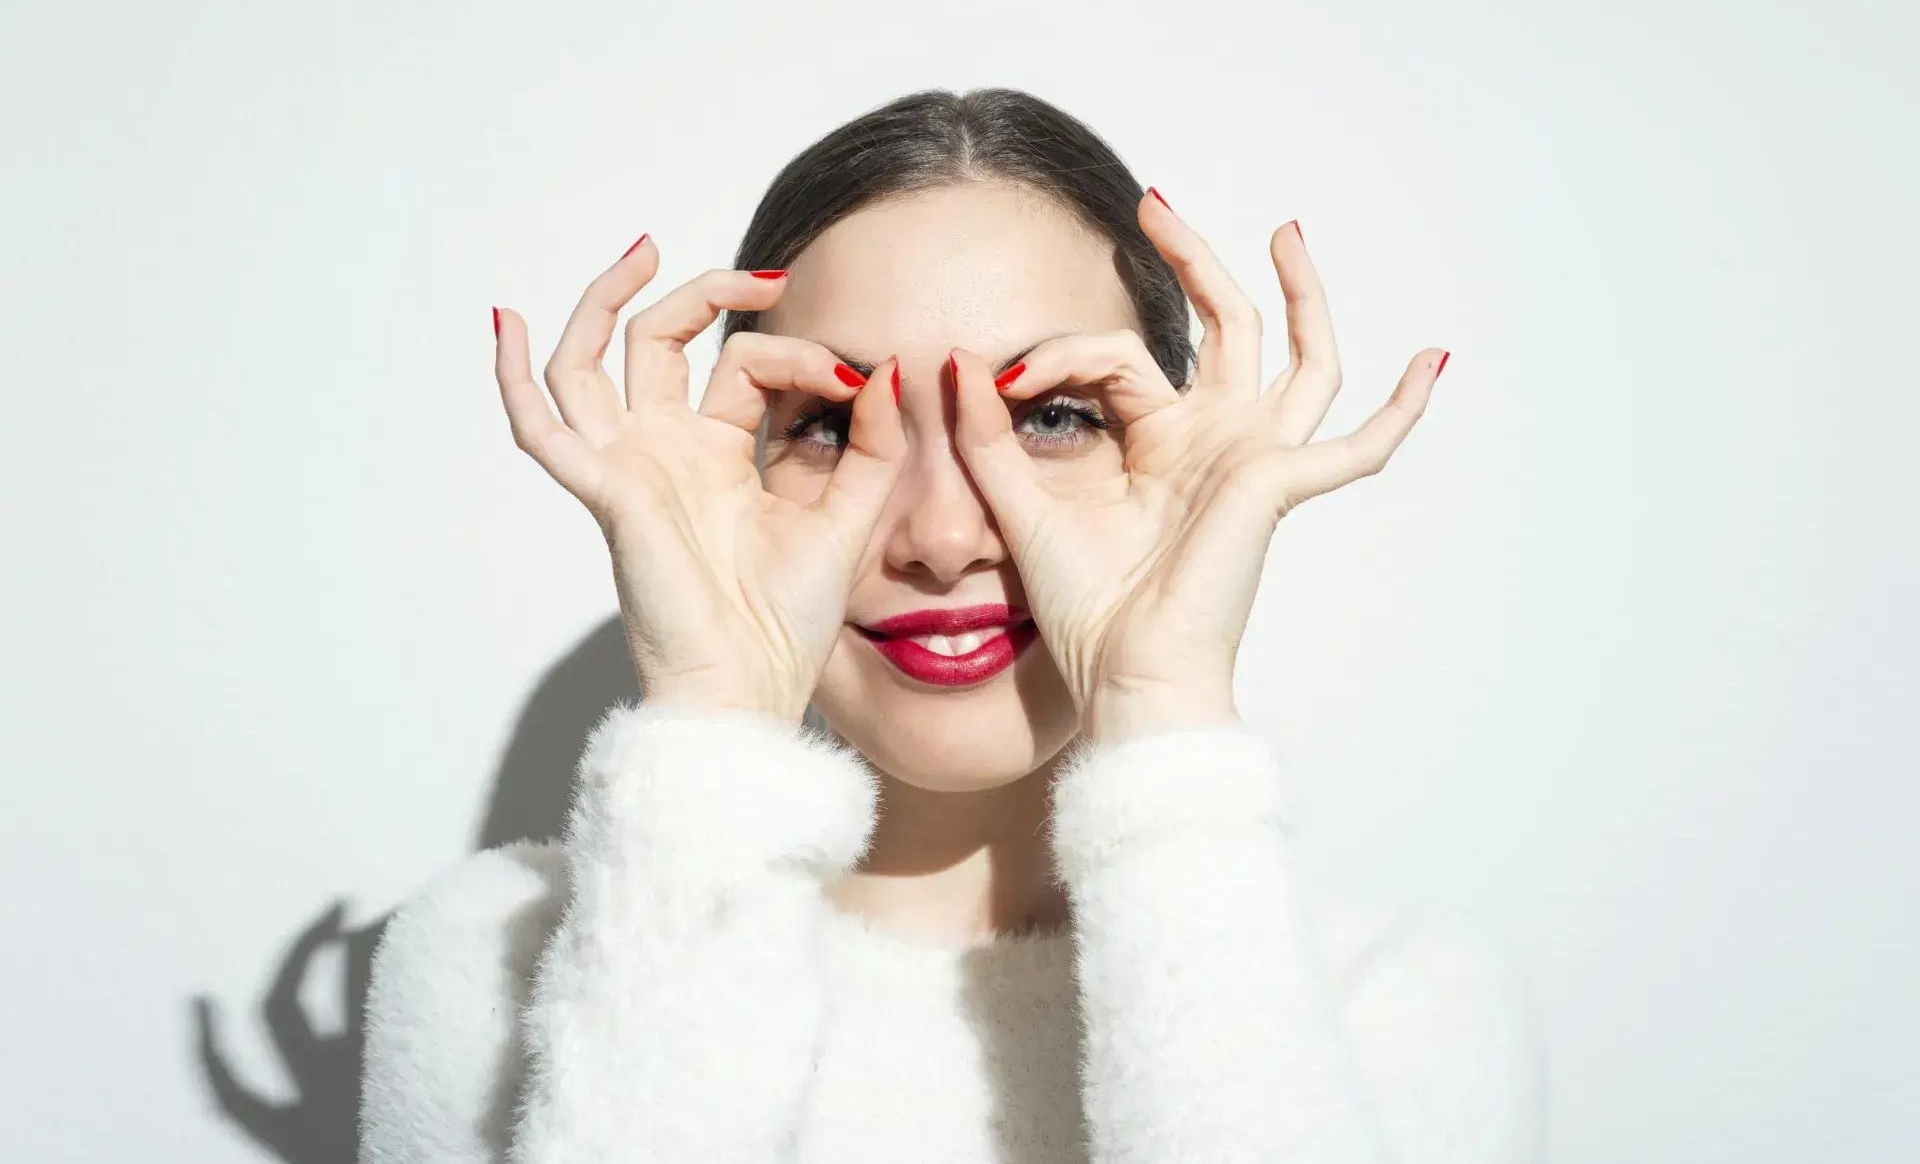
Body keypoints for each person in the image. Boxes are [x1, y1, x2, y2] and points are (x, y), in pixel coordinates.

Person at [357, 89, 1547, 1163]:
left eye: (1054, 416)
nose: (940, 533)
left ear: (1183, 451)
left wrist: (1167, 705)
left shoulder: (1396, 1009)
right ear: (738, 463)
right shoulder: (495, 967)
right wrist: (715, 714)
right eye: (829, 421)